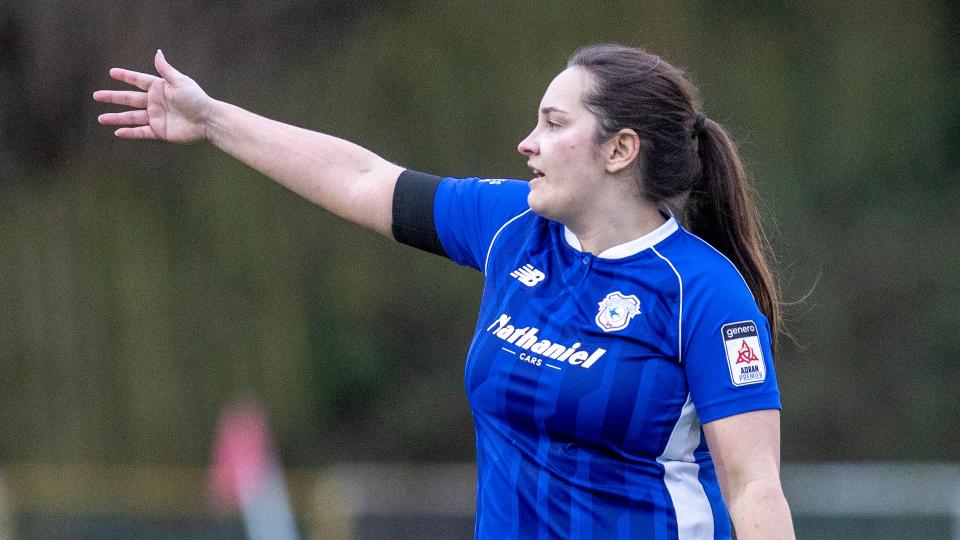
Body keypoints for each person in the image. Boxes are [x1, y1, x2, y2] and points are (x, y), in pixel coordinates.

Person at [94, 44, 795, 539]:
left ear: (619, 151)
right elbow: (362, 179)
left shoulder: (703, 295)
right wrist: (213, 119)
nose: (528, 143)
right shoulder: (511, 228)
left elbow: (753, 487)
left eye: (553, 125)